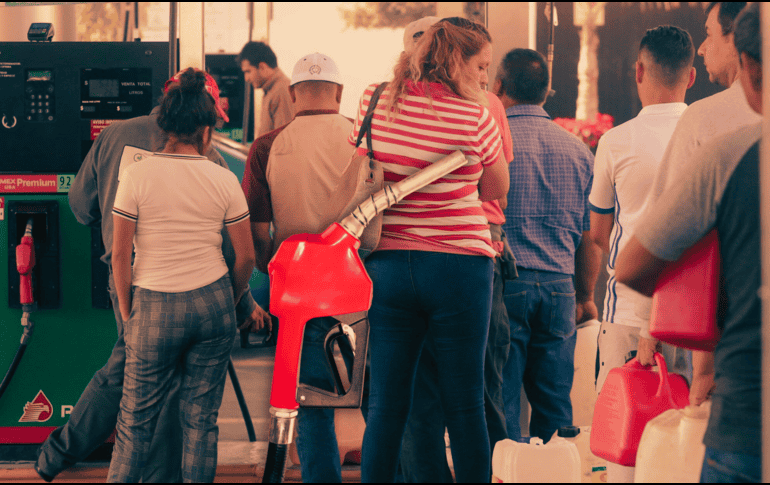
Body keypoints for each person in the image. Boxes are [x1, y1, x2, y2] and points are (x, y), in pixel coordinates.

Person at [35, 68, 266, 483]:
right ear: (204, 121)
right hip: (206, 297)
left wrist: (127, 305)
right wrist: (235, 302)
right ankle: (69, 457)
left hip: (139, 284)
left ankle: (58, 457)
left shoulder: (117, 143)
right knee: (194, 415)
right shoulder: (215, 166)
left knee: (135, 409)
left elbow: (84, 211)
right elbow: (236, 252)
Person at [350, 18, 510, 483]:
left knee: (386, 404)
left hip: (389, 265)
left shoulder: (374, 99)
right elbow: (497, 187)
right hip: (460, 268)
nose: (484, 77)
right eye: (481, 66)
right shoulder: (475, 116)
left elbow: (365, 160)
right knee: (464, 404)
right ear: (458, 61)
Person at [616, 4, 761, 482]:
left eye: (711, 35)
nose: (704, 45)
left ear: (750, 64)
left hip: (747, 403)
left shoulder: (722, 140)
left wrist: (705, 345)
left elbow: (636, 263)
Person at [107, 68, 257, 482]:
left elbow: (121, 255)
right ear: (206, 130)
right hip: (211, 304)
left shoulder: (137, 174)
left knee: (134, 426)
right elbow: (245, 256)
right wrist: (229, 296)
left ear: (165, 125)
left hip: (153, 302)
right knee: (200, 425)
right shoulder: (223, 178)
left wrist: (127, 311)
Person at [397, 16, 515, 483]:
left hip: (403, 257)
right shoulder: (483, 107)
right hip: (472, 253)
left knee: (417, 394)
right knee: (479, 389)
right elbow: (497, 188)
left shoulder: (386, 104)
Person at [243, 52, 365, 483]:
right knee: (381, 395)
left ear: (293, 94)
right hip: (362, 281)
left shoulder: (266, 147)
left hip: (301, 290)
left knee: (310, 400)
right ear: (340, 92)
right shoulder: (363, 138)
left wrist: (276, 272)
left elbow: (258, 237)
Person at [588, 25, 696, 483]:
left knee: (622, 439)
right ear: (691, 76)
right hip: (698, 316)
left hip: (628, 310)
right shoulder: (710, 134)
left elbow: (598, 232)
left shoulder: (616, 141)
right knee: (688, 436)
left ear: (638, 71)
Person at [634, 2, 759, 371]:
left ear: (738, 40)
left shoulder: (705, 119)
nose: (702, 48)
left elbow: (663, 234)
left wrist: (647, 325)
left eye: (708, 34)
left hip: (727, 337)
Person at [495, 48, 602, 443]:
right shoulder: (578, 151)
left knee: (502, 400)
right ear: (547, 91)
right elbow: (591, 236)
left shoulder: (492, 147)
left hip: (507, 284)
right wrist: (585, 294)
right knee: (555, 403)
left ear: (499, 87)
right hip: (559, 289)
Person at [237, 41, 295, 137]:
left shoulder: (281, 91)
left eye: (248, 71)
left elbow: (284, 141)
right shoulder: (271, 90)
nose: (246, 78)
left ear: (262, 67)